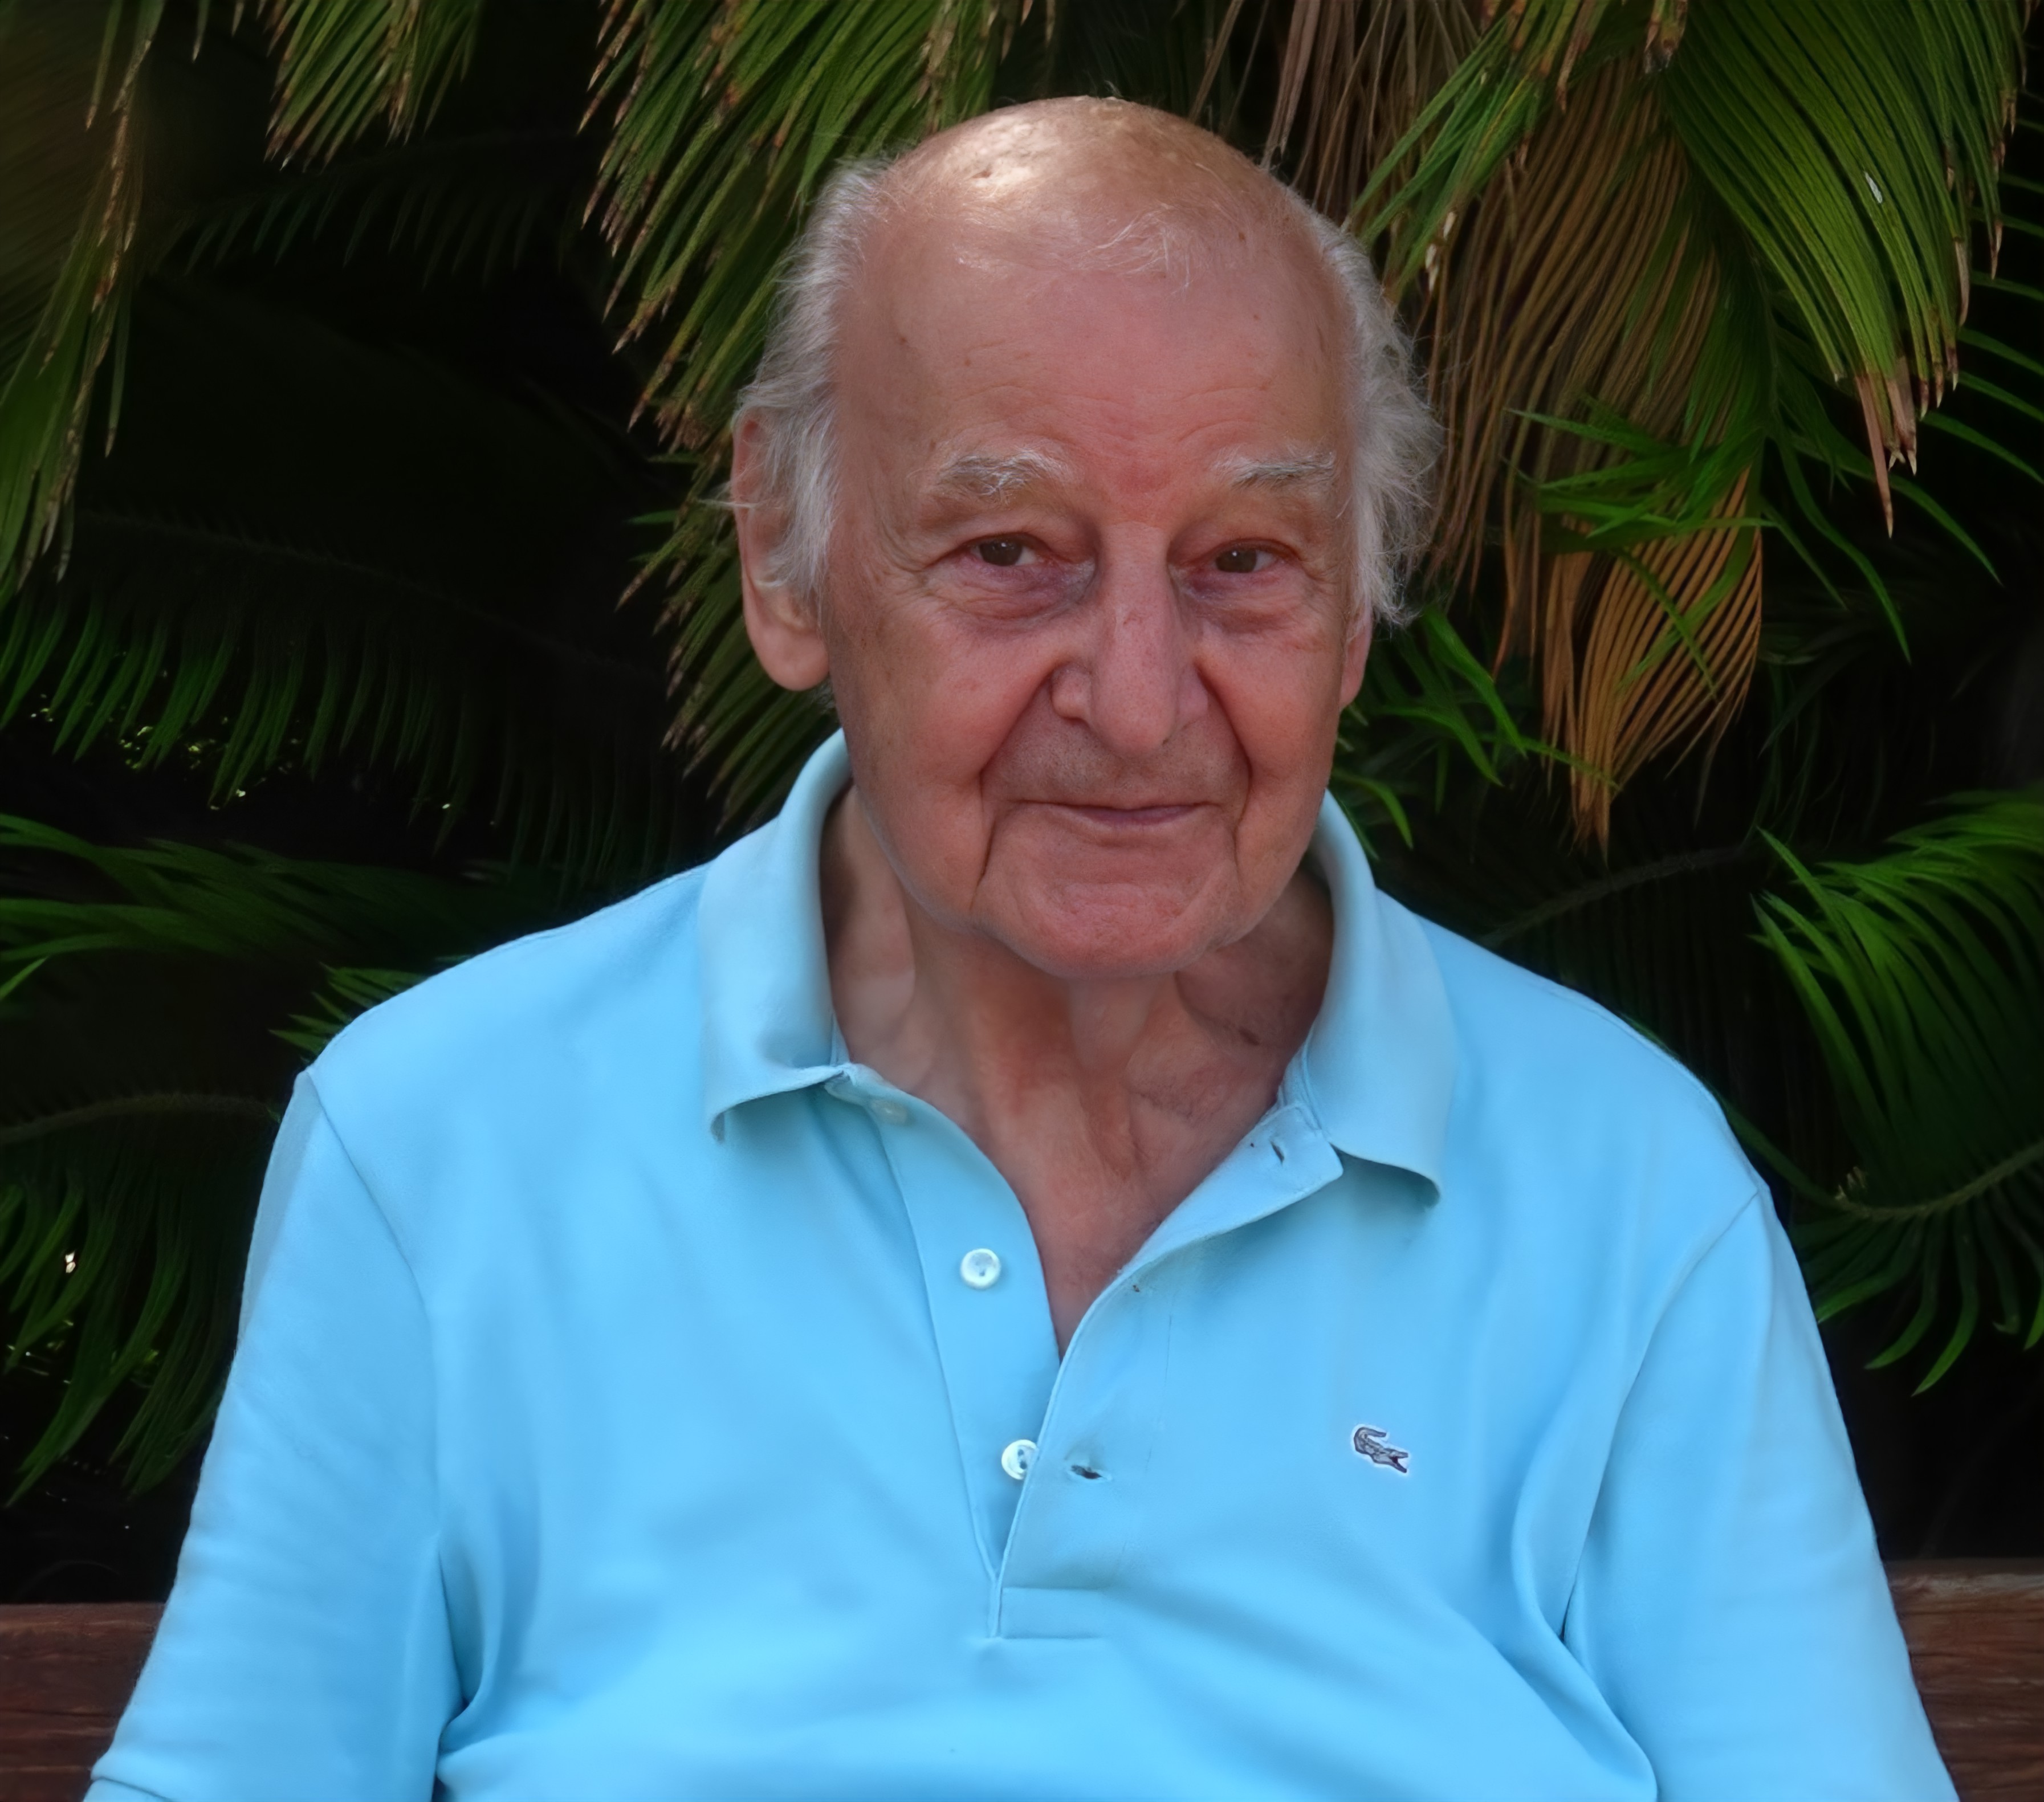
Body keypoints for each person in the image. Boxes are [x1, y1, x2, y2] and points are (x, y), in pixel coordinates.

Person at [90, 98, 1951, 1801]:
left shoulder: (1625, 1192)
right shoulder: (439, 1145)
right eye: (1007, 553)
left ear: (1354, 610)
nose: (1136, 703)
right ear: (782, 552)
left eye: (1241, 561)